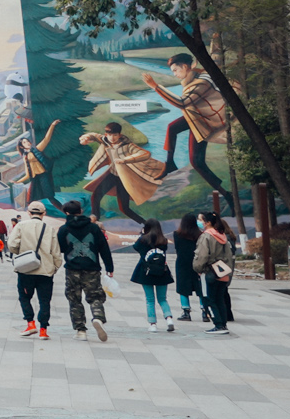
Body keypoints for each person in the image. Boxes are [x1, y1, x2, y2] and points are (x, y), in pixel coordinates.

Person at [144, 55, 232, 197]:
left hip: (205, 122)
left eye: (175, 70)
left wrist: (156, 87)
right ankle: (169, 164)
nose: (174, 74)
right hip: (196, 117)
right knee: (172, 127)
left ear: (185, 67)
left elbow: (183, 103)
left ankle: (226, 194)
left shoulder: (202, 83)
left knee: (197, 162)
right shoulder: (195, 78)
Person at [77, 122, 164, 220]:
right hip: (112, 175)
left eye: (115, 135)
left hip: (124, 178)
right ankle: (95, 219)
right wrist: (86, 138)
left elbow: (145, 154)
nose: (112, 138)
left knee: (124, 208)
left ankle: (145, 224)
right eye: (110, 135)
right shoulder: (105, 141)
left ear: (120, 135)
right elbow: (94, 136)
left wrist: (125, 160)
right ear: (106, 135)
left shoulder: (128, 146)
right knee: (96, 196)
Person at [57, 198, 115, 342]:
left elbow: (61, 248)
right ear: (81, 211)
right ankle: (98, 318)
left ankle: (80, 330)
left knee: (74, 299)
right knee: (95, 296)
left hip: (72, 269)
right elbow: (104, 248)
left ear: (66, 213)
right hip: (92, 268)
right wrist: (109, 267)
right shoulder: (94, 228)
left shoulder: (64, 229)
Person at [8, 201, 61, 339]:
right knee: (45, 300)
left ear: (29, 212)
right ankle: (43, 330)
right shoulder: (49, 229)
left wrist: (21, 252)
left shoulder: (20, 226)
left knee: (24, 297)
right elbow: (56, 252)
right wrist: (55, 267)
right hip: (46, 271)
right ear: (44, 213)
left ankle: (30, 324)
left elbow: (12, 245)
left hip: (26, 270)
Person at [132, 219, 177, 333]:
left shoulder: (143, 240)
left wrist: (142, 234)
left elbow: (136, 247)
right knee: (162, 298)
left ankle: (153, 324)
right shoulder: (163, 240)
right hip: (162, 271)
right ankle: (169, 319)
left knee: (150, 299)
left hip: (146, 272)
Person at [194, 214, 235, 333]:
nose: (199, 222)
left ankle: (218, 324)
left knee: (209, 299)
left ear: (207, 222)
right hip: (223, 271)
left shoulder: (206, 236)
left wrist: (198, 268)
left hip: (209, 271)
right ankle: (223, 324)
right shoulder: (222, 235)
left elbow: (202, 255)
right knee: (220, 299)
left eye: (201, 220)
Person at [172, 212, 203, 323]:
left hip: (182, 263)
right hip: (197, 262)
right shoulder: (200, 235)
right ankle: (205, 311)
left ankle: (186, 312)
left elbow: (177, 248)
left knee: (183, 287)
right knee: (200, 287)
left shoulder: (177, 234)